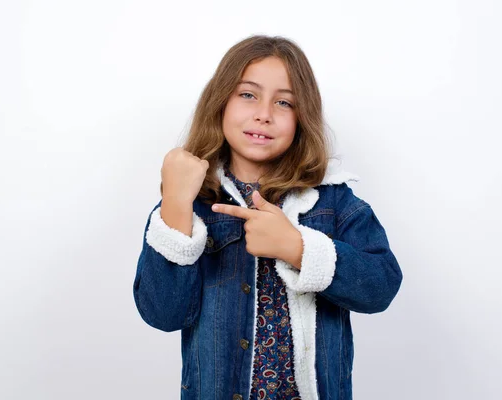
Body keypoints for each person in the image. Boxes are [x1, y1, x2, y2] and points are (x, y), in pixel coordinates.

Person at [133, 34, 403, 400]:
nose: (264, 113)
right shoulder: (191, 204)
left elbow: (381, 287)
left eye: (284, 102)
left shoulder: (333, 200)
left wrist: (298, 248)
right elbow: (162, 314)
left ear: (301, 117)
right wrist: (176, 206)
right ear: (220, 102)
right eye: (248, 94)